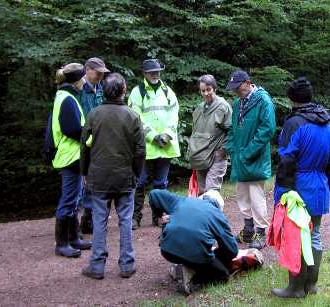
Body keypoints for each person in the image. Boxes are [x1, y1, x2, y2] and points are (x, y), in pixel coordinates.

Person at [271, 77, 330, 298]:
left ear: (292, 98)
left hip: (299, 184)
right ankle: (312, 285)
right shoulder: (328, 123)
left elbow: (287, 160)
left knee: (296, 235)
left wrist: (281, 193)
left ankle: (296, 288)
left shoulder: (294, 123)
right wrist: (326, 185)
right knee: (315, 234)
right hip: (320, 184)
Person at [80, 73, 146, 279]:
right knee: (125, 220)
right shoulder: (133, 116)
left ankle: (97, 266)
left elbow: (84, 146)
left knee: (100, 221)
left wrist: (84, 171)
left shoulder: (93, 114)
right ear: (124, 90)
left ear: (104, 91)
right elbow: (140, 150)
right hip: (125, 176)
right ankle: (127, 264)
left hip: (99, 177)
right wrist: (136, 172)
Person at [149, 189, 238, 295]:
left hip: (167, 250)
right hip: (196, 253)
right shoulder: (218, 215)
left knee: (194, 255)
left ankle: (180, 268)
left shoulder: (183, 200)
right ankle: (191, 278)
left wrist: (159, 216)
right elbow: (232, 250)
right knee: (223, 275)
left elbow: (154, 194)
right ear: (219, 207)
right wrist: (218, 255)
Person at [225, 70, 276, 250]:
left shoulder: (263, 100)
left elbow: (267, 129)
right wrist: (230, 149)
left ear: (248, 83)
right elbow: (232, 130)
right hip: (239, 157)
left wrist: (248, 152)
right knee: (242, 195)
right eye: (234, 89)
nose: (236, 92)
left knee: (256, 196)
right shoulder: (238, 103)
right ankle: (248, 229)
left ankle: (261, 232)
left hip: (255, 158)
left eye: (238, 88)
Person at [128, 59, 180, 229]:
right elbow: (135, 117)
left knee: (161, 184)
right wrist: (153, 136)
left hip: (165, 146)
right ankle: (135, 217)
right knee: (140, 183)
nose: (155, 74)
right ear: (144, 73)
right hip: (146, 147)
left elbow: (174, 114)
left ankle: (158, 217)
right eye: (151, 72)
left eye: (157, 71)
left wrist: (168, 134)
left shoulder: (167, 91)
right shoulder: (137, 92)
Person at [51, 63, 92, 258]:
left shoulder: (66, 96)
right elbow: (72, 129)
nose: (85, 81)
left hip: (73, 156)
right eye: (83, 77)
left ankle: (74, 237)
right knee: (69, 200)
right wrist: (90, 136)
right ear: (77, 80)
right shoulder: (67, 99)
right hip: (70, 156)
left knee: (75, 198)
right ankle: (62, 243)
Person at [79, 57, 110, 234]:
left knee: (97, 178)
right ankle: (86, 216)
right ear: (87, 70)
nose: (100, 76)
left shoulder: (101, 88)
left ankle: (93, 215)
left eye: (102, 73)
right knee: (84, 179)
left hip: (101, 140)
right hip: (84, 139)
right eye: (97, 72)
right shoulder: (79, 89)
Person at [188, 74, 232, 194]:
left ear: (215, 88)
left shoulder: (223, 107)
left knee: (211, 192)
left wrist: (223, 151)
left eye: (209, 89)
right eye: (203, 91)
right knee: (202, 193)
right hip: (200, 156)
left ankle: (214, 213)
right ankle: (206, 213)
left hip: (216, 156)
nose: (206, 93)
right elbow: (195, 132)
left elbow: (232, 132)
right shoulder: (199, 109)